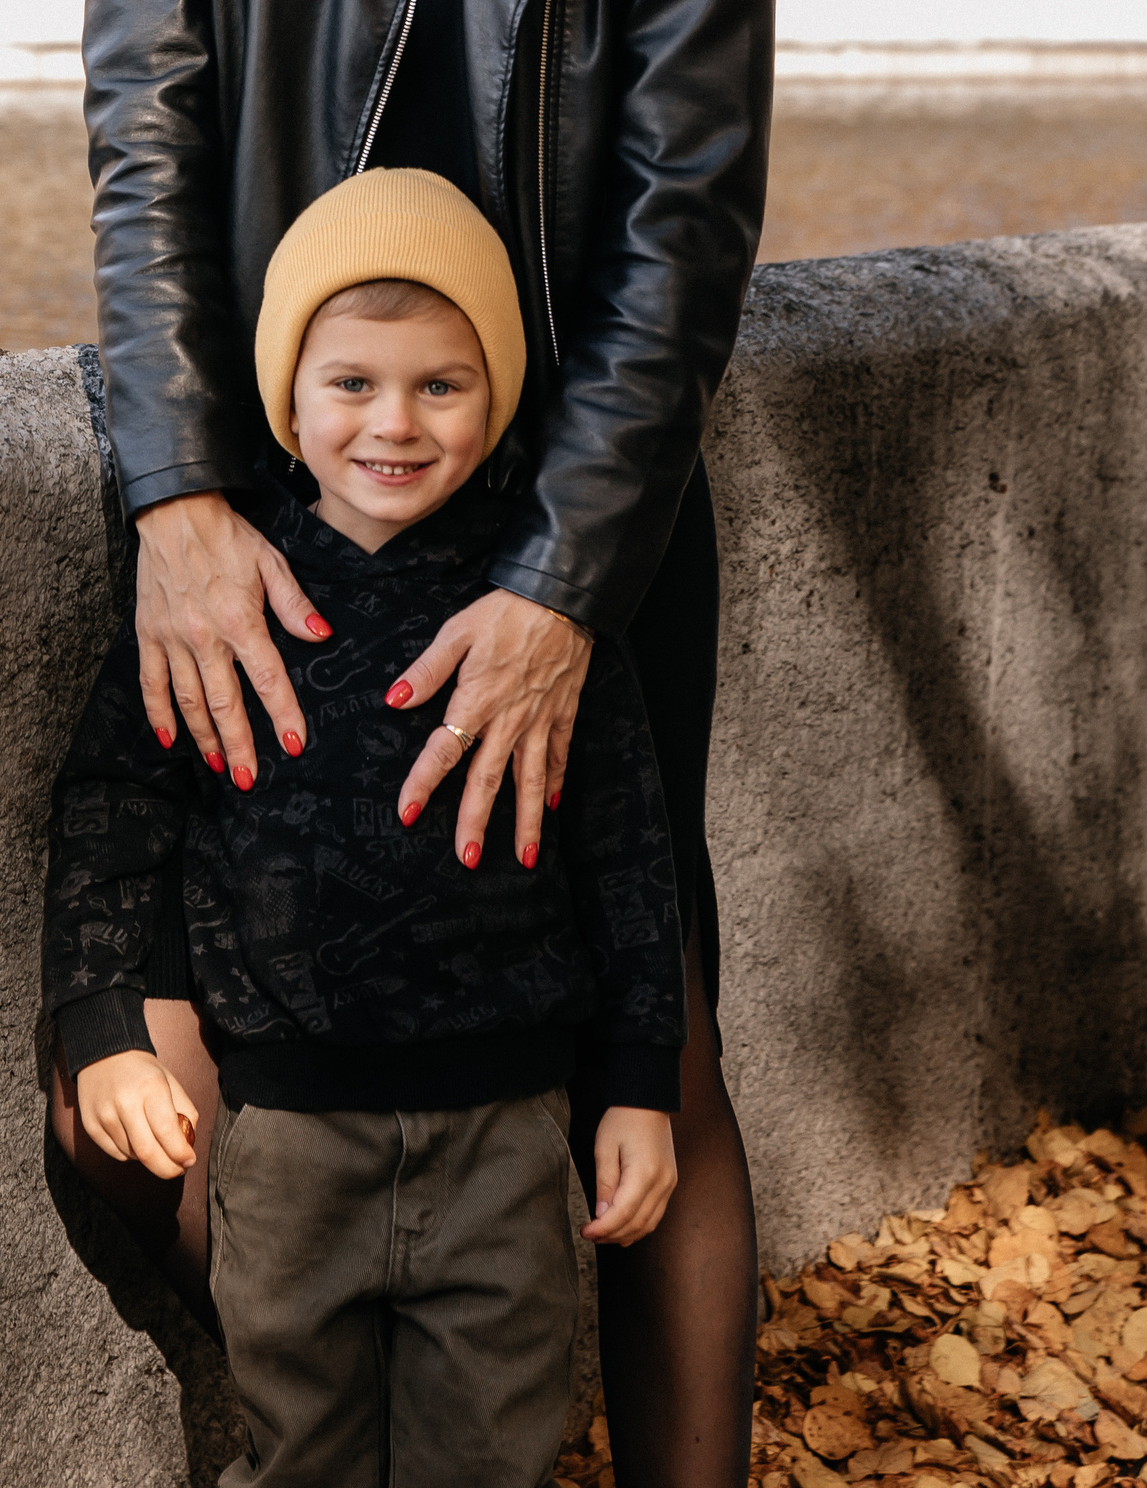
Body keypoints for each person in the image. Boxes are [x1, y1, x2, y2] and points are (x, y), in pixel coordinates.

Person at [59, 0, 799, 1488]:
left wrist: (566, 582)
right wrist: (181, 497)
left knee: (646, 1037)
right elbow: (143, 137)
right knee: (173, 1056)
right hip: (290, 494)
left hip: (581, 497)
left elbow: (688, 208)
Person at [45, 170, 687, 1488]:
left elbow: (629, 860)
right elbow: (112, 809)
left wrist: (637, 1086)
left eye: (440, 385)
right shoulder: (223, 602)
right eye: (351, 383)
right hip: (286, 1142)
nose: (394, 422)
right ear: (286, 402)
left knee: (490, 1455)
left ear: (496, 399)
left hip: (504, 1139)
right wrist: (105, 1031)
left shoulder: (540, 623)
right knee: (304, 1453)